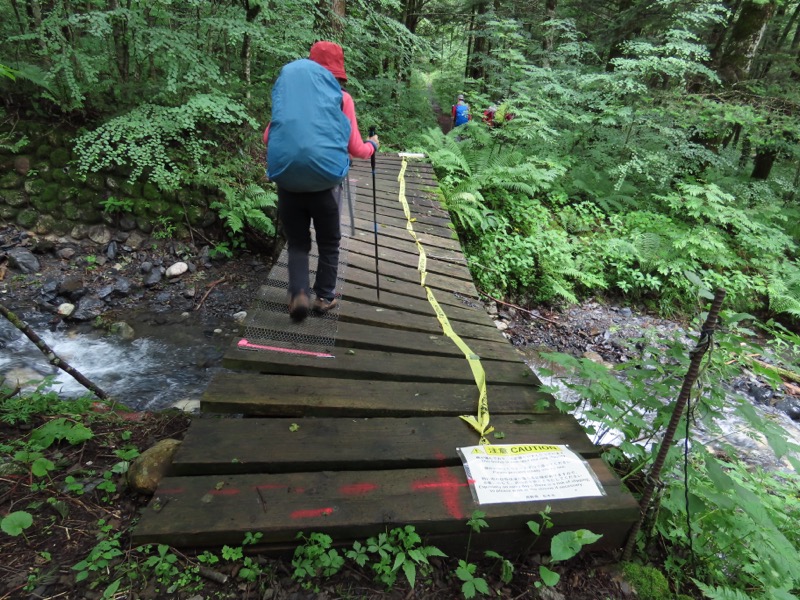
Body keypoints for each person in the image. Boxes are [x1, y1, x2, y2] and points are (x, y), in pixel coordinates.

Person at [264, 41, 379, 322]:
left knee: (298, 242)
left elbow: (268, 137)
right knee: (329, 242)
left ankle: (298, 293)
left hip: (289, 183)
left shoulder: (290, 98)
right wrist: (372, 145)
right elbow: (356, 149)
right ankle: (325, 297)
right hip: (325, 186)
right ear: (337, 72)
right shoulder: (342, 98)